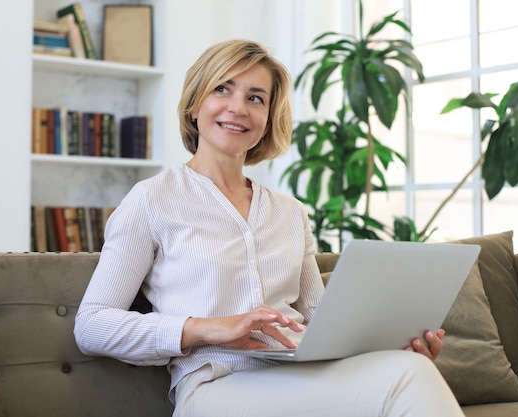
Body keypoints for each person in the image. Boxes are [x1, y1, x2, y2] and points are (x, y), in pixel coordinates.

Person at [74, 39, 464, 417]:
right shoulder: (152, 199)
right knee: (406, 379)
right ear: (195, 105)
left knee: (411, 368)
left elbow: (320, 319)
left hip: (300, 379)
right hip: (214, 387)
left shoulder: (290, 212)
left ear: (267, 120)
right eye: (222, 89)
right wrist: (207, 328)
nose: (238, 108)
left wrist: (393, 347)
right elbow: (92, 324)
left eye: (255, 98)